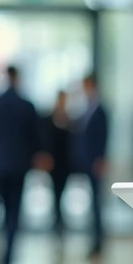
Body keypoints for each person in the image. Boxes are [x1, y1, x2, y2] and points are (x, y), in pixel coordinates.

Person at [0, 65, 49, 264]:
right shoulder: (26, 105)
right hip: (19, 166)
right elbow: (35, 137)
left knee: (2, 210)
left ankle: (4, 254)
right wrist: (38, 155)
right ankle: (8, 256)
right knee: (14, 213)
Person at [74, 74, 109, 258]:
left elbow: (102, 137)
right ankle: (93, 240)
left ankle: (98, 241)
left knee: (96, 203)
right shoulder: (85, 109)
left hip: (95, 163)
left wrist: (101, 158)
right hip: (85, 163)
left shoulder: (99, 109)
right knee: (91, 202)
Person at [41, 90, 75, 238]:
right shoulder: (49, 118)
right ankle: (56, 220)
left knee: (62, 191)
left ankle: (59, 220)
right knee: (54, 191)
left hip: (65, 162)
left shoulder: (69, 119)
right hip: (53, 162)